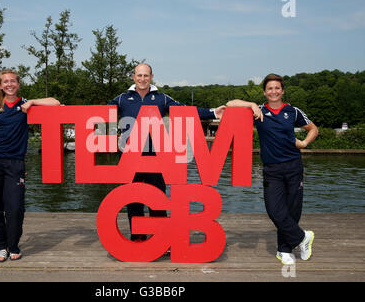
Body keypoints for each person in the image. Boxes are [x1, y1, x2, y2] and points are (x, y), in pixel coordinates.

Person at [109, 63, 226, 242]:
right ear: (133, 77)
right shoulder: (122, 99)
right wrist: (61, 111)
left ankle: (161, 238)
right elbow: (98, 114)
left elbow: (184, 111)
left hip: (156, 158)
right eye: (139, 75)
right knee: (133, 199)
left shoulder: (161, 98)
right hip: (129, 158)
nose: (142, 79)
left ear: (151, 76)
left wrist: (212, 112)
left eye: (146, 75)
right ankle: (137, 237)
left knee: (158, 199)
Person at [0, 69, 60, 262]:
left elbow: (55, 103)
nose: (9, 84)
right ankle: (0, 247)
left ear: (18, 84)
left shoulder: (25, 105)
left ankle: (13, 245)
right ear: (0, 86)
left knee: (15, 207)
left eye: (13, 81)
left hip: (15, 163)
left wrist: (32, 102)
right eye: (5, 82)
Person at [226, 73, 319, 265]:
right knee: (275, 210)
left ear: (283, 91)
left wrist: (303, 143)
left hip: (294, 166)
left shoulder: (293, 111)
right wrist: (251, 104)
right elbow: (230, 104)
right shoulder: (258, 111)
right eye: (270, 88)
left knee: (292, 210)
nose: (274, 91)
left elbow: (314, 129)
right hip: (271, 169)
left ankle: (283, 250)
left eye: (277, 88)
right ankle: (303, 238)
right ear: (265, 92)